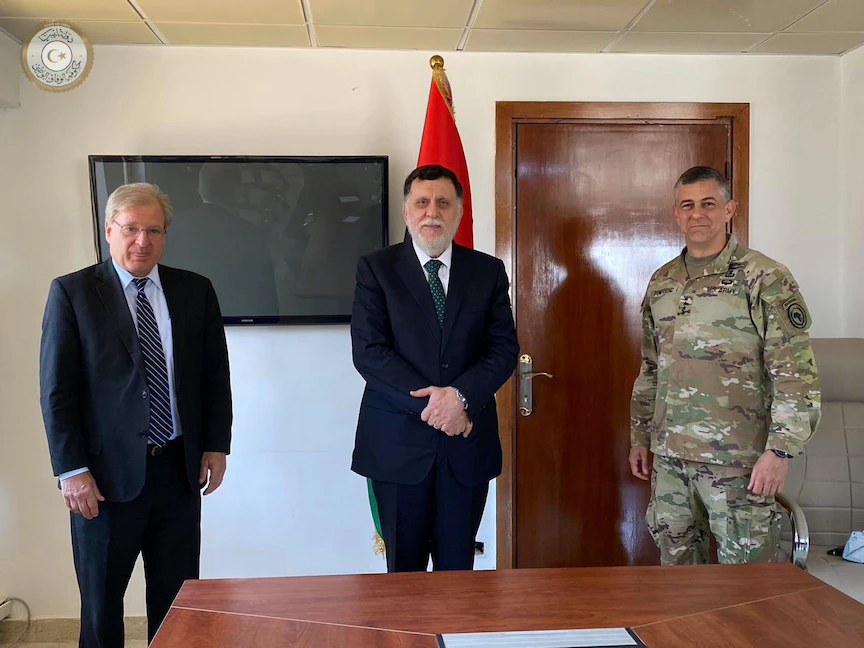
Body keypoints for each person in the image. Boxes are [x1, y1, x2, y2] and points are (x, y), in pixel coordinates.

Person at [39, 182, 232, 646]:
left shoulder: (195, 290)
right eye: (130, 229)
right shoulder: (73, 293)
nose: (142, 241)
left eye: (153, 230)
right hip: (102, 482)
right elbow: (57, 392)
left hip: (178, 473)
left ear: (165, 235)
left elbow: (214, 375)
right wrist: (71, 470)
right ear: (109, 230)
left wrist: (215, 444)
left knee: (178, 604)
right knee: (101, 607)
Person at [629, 166, 821, 565]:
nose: (697, 214)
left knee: (745, 583)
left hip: (739, 463)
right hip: (670, 460)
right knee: (678, 577)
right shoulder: (663, 282)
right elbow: (651, 368)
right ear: (676, 214)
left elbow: (795, 374)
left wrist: (780, 452)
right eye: (687, 205)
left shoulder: (764, 277)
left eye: (708, 204)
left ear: (729, 209)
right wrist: (640, 436)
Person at [351, 164, 519, 572]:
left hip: (466, 445)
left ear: (459, 212)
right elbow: (369, 352)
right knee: (403, 575)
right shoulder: (376, 269)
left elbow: (503, 349)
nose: (432, 212)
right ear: (406, 212)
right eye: (422, 202)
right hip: (397, 447)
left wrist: (460, 398)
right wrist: (438, 407)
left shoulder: (488, 272)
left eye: (443, 203)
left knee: (458, 573)